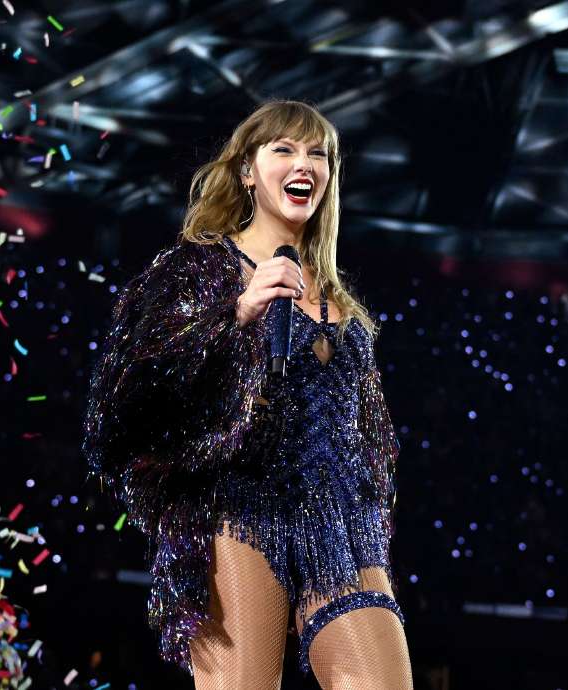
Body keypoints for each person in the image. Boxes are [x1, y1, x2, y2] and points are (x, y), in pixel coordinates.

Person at [82, 99, 413, 688]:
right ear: (246, 171)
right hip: (240, 510)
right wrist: (236, 314)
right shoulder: (201, 268)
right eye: (283, 149)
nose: (303, 162)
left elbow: (370, 439)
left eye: (318, 153)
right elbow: (126, 393)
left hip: (340, 520)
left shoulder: (340, 298)